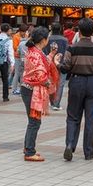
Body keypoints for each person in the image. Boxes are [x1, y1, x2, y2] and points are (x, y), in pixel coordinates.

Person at [60, 17, 93, 161]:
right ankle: (89, 152)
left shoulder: (72, 48)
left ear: (79, 31)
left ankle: (70, 145)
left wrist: (57, 62)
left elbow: (65, 69)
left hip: (76, 82)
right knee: (90, 119)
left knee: (73, 116)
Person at [21, 26, 60, 162]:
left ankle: (28, 148)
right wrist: (49, 84)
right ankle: (29, 151)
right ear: (43, 40)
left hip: (29, 89)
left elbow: (44, 64)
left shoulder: (35, 51)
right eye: (47, 37)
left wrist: (51, 54)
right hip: (33, 91)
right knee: (34, 122)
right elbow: (41, 75)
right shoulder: (36, 53)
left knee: (33, 121)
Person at [43, 22, 69, 110]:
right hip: (61, 64)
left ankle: (52, 101)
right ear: (60, 29)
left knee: (50, 83)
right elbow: (66, 53)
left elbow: (44, 51)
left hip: (49, 63)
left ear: (51, 29)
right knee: (60, 84)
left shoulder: (47, 39)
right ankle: (56, 104)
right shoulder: (65, 40)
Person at [12, 24, 29, 95]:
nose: (24, 33)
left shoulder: (26, 36)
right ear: (20, 31)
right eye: (23, 32)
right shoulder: (16, 36)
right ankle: (14, 89)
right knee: (17, 73)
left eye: (25, 32)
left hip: (24, 57)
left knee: (22, 74)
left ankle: (21, 88)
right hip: (17, 56)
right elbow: (15, 47)